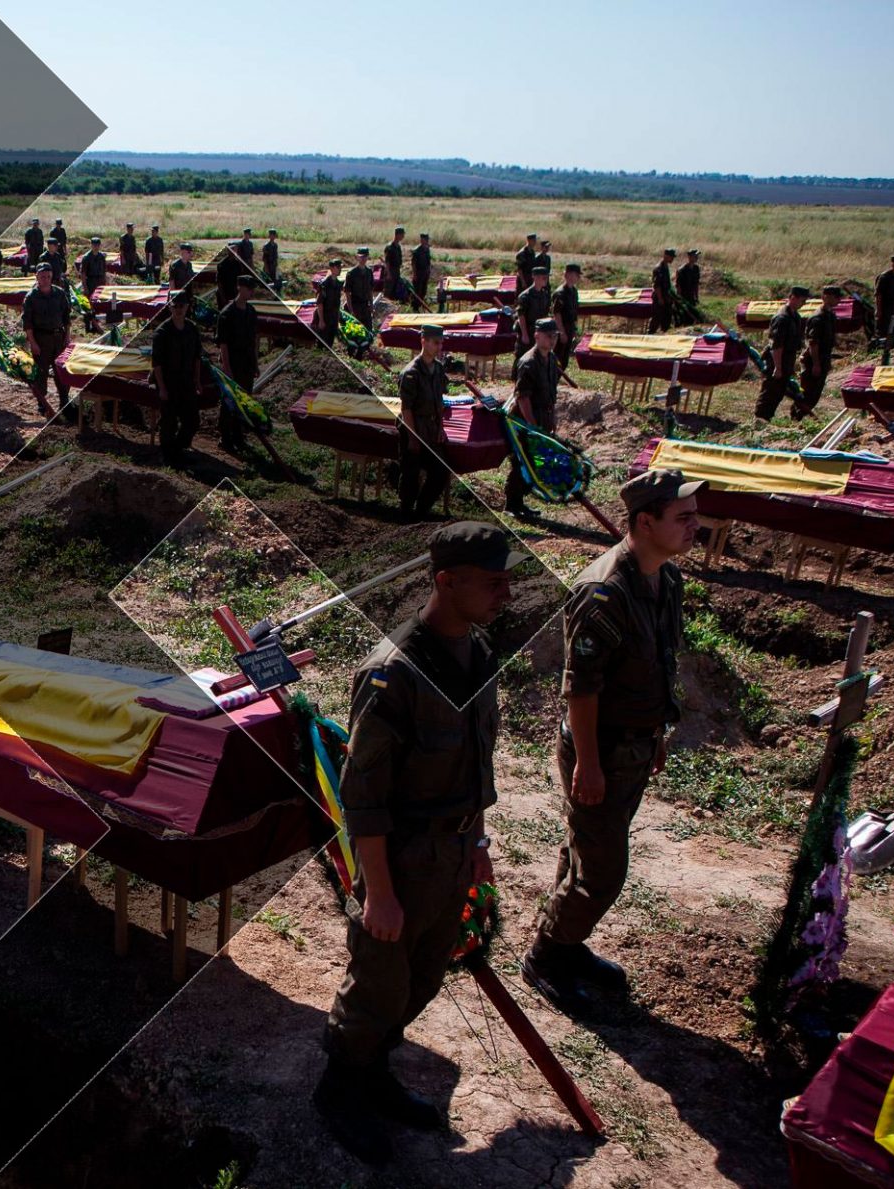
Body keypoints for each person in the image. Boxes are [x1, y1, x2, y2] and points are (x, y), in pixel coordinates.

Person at [315, 520, 516, 1166]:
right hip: (399, 860)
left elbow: (477, 763)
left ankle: (374, 1071)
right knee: (377, 985)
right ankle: (339, 1089)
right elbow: (364, 796)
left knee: (423, 979)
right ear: (446, 582)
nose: (506, 594)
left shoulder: (478, 655)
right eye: (492, 583)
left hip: (451, 858)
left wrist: (477, 845)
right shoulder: (392, 675)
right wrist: (378, 892)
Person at [524, 469, 698, 1010]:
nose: (696, 526)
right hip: (600, 748)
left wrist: (656, 733)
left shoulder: (665, 580)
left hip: (634, 745)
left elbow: (655, 667)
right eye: (683, 518)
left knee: (587, 851)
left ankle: (564, 942)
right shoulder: (604, 592)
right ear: (645, 522)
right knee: (602, 872)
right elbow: (582, 688)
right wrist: (589, 764)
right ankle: (546, 956)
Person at [505, 319, 563, 517]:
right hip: (526, 419)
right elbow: (522, 397)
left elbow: (551, 393)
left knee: (535, 461)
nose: (552, 340)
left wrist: (551, 419)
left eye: (555, 336)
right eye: (549, 336)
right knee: (523, 461)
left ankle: (520, 502)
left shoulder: (551, 359)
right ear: (537, 336)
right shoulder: (528, 362)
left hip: (543, 415)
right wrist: (532, 426)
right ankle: (512, 504)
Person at [397, 324, 451, 520]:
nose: (439, 347)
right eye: (436, 343)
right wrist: (413, 438)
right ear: (424, 341)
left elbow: (439, 401)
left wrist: (441, 428)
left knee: (441, 471)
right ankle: (405, 513)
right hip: (413, 426)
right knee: (410, 474)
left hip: (431, 428)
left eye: (441, 343)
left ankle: (421, 511)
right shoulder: (411, 372)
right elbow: (406, 409)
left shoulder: (438, 369)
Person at [152, 290, 204, 467]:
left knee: (192, 420)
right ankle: (168, 456)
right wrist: (162, 388)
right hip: (169, 381)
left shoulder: (192, 329)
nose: (179, 309)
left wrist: (197, 380)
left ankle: (178, 450)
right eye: (175, 306)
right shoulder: (162, 332)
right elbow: (157, 363)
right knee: (169, 422)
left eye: (182, 306)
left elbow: (197, 357)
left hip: (186, 380)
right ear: (170, 307)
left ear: (187, 307)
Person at [21, 263, 72, 416]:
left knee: (61, 371)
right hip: (41, 340)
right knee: (41, 373)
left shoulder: (59, 293)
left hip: (58, 338)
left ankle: (64, 401)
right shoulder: (31, 297)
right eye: (42, 276)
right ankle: (42, 403)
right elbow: (27, 324)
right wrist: (33, 343)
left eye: (48, 276)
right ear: (37, 277)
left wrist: (67, 337)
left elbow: (66, 318)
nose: (46, 279)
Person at [216, 274, 260, 451]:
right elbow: (223, 344)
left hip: (247, 364)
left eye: (252, 289)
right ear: (239, 288)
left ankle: (238, 436)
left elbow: (254, 340)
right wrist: (227, 368)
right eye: (248, 288)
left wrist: (256, 363)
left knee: (243, 401)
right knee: (229, 402)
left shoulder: (251, 312)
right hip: (233, 364)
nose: (251, 292)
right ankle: (225, 438)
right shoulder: (227, 314)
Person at [754, 286, 810, 421]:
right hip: (776, 361)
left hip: (786, 360)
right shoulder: (782, 318)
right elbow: (777, 345)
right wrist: (778, 368)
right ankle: (759, 419)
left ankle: (766, 418)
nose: (803, 304)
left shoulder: (795, 316)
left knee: (778, 392)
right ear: (793, 298)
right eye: (802, 301)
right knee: (770, 392)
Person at [794, 286, 843, 419]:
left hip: (823, 358)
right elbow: (813, 343)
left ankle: (801, 416)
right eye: (835, 297)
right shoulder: (818, 317)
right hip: (813, 359)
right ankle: (797, 416)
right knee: (808, 392)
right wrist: (816, 364)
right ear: (826, 297)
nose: (838, 300)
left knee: (815, 393)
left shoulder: (830, 315)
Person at [514, 267, 553, 375]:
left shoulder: (545, 294)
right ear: (535, 277)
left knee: (537, 357)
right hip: (528, 329)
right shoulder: (525, 296)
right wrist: (524, 334)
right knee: (522, 356)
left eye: (546, 278)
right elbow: (521, 316)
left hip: (539, 331)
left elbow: (546, 314)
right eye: (543, 278)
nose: (546, 280)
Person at [552, 263, 582, 369]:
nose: (578, 277)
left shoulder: (574, 291)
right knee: (557, 357)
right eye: (576, 275)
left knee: (564, 360)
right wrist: (561, 332)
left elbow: (574, 311)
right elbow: (557, 313)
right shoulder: (560, 293)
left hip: (569, 327)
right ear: (568, 275)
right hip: (561, 328)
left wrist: (574, 329)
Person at [78, 237, 108, 332]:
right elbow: (83, 274)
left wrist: (104, 284)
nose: (96, 247)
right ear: (91, 245)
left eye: (97, 245)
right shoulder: (87, 257)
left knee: (97, 304)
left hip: (99, 282)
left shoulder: (101, 256)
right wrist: (85, 287)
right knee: (88, 305)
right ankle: (88, 326)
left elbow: (104, 271)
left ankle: (96, 325)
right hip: (90, 282)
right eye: (94, 245)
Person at [875, 254, 894, 343]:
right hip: (884, 308)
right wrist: (878, 310)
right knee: (882, 330)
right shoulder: (885, 277)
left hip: (892, 308)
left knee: (890, 330)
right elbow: (878, 294)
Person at [345, 247, 376, 330]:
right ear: (357, 257)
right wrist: (350, 310)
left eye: (365, 256)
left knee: (368, 330)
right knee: (356, 331)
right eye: (361, 257)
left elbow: (370, 290)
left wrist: (371, 306)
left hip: (365, 306)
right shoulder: (351, 273)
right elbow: (347, 293)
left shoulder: (369, 271)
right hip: (355, 306)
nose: (363, 259)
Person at [649, 248, 676, 333]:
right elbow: (657, 285)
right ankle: (650, 334)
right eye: (671, 257)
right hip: (659, 298)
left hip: (666, 297)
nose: (672, 259)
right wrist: (660, 298)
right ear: (665, 256)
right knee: (656, 318)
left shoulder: (666, 266)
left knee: (666, 319)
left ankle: (664, 334)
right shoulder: (659, 268)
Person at [675, 249, 702, 320]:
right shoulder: (682, 270)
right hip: (684, 296)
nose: (697, 258)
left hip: (692, 296)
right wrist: (679, 299)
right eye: (695, 256)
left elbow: (696, 284)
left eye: (697, 256)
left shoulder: (696, 268)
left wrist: (696, 297)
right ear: (689, 257)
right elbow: (678, 286)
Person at [383, 227, 406, 307]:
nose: (403, 236)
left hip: (396, 270)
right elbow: (387, 262)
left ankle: (392, 307)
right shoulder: (390, 247)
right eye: (402, 235)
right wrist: (388, 274)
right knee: (388, 291)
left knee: (395, 291)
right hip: (390, 271)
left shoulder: (398, 246)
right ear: (397, 235)